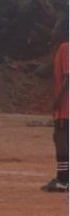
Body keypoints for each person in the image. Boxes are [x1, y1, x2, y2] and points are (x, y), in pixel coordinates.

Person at [42, 18, 68, 192]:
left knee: (61, 140)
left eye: (56, 27)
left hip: (66, 108)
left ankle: (63, 180)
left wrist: (56, 101)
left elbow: (68, 77)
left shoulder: (66, 47)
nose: (53, 31)